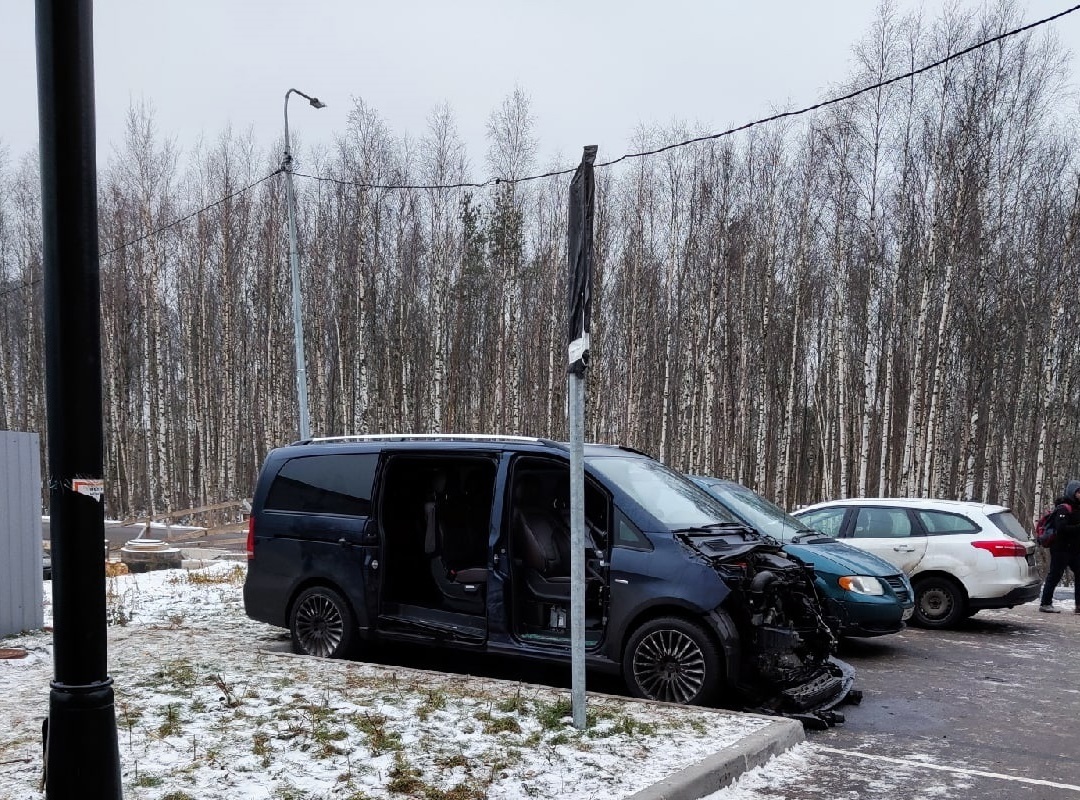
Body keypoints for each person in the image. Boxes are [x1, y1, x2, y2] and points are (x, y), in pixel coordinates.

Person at [1039, 479, 1080, 613]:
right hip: (1061, 548)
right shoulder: (1063, 508)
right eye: (1078, 492)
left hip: (1074, 549)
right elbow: (1061, 529)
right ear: (1072, 492)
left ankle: (1079, 606)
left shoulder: (1077, 508)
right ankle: (1045, 603)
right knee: (1055, 575)